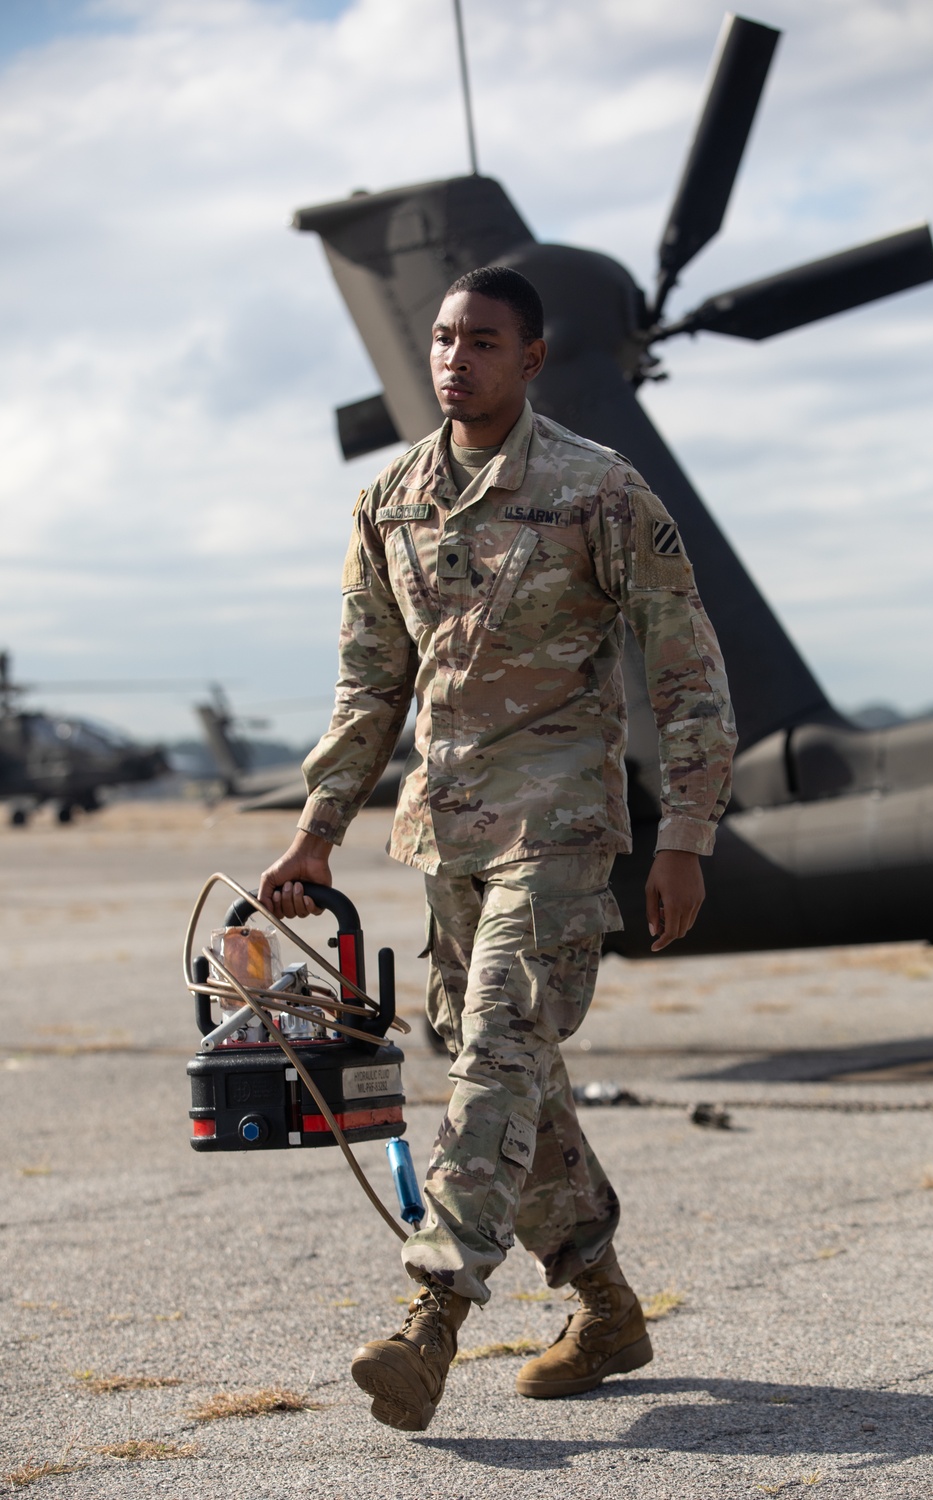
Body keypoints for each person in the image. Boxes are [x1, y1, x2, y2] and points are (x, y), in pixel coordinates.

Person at [259, 265, 736, 1432]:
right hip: (447, 834)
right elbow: (371, 686)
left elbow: (685, 674)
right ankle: (605, 1303)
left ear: (531, 356)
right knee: (515, 1073)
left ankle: (432, 1317)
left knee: (495, 1053)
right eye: (440, 339)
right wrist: (318, 830)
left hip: (563, 828)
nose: (453, 358)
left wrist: (685, 835)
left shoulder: (597, 491)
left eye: (481, 340)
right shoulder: (390, 505)